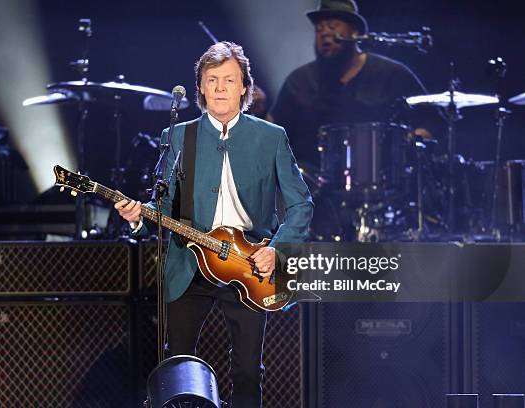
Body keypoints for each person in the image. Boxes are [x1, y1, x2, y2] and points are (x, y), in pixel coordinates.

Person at [115, 41, 313, 408]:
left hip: (250, 265)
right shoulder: (177, 137)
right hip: (190, 267)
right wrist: (138, 216)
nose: (221, 88)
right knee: (177, 370)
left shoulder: (272, 137)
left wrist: (276, 249)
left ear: (244, 88)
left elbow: (301, 205)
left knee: (248, 371)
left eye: (229, 80)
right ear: (201, 89)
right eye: (212, 80)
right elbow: (162, 205)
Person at [268, 0, 437, 167]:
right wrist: (259, 112)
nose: (324, 33)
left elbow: (432, 119)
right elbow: (273, 130)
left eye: (333, 26)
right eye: (319, 29)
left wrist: (413, 141)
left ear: (355, 32)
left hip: (381, 182)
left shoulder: (391, 74)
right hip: (312, 185)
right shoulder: (300, 81)